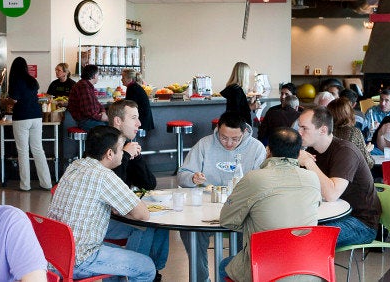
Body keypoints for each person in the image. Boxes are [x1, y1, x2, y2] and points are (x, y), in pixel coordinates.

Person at [47, 126, 156, 281]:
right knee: (146, 267)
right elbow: (143, 214)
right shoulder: (103, 176)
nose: (122, 154)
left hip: (55, 253)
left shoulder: (75, 165)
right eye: (121, 150)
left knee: (129, 247)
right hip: (80, 258)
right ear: (110, 154)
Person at [218, 127, 321, 282]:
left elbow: (227, 220)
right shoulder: (312, 178)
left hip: (267, 271)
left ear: (268, 150)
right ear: (299, 154)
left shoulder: (254, 178)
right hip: (309, 270)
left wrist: (253, 221)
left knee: (224, 266)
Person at [177, 111, 266, 282]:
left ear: (244, 132)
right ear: (218, 129)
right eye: (224, 138)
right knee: (189, 232)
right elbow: (182, 175)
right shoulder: (204, 144)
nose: (229, 143)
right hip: (206, 205)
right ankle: (201, 278)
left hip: (242, 208)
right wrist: (192, 178)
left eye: (235, 139)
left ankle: (239, 276)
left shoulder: (256, 148)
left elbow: (261, 183)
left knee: (251, 232)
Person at [297, 107, 381, 247]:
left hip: (361, 222)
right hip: (332, 214)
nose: (299, 133)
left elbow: (331, 194)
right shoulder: (311, 150)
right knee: (287, 230)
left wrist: (308, 162)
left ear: (323, 130)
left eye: (304, 128)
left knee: (307, 239)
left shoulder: (345, 152)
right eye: (299, 127)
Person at [105, 100, 167, 281]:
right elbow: (115, 189)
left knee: (161, 224)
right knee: (144, 227)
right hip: (106, 216)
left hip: (120, 211)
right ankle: (136, 272)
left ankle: (153, 272)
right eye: (133, 118)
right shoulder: (105, 145)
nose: (139, 123)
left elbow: (149, 183)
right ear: (118, 121)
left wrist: (135, 157)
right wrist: (124, 156)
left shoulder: (126, 144)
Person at [7, 57, 53, 191]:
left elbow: (14, 100)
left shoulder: (15, 81)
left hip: (21, 117)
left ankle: (25, 185)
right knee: (38, 150)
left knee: (23, 151)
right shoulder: (32, 80)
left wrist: (6, 102)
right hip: (36, 117)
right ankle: (47, 183)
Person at [327, 98, 374, 169]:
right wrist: (366, 151)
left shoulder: (324, 132)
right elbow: (368, 163)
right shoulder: (354, 132)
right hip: (348, 175)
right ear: (350, 113)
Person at [67, 64, 108, 131]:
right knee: (108, 130)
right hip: (85, 121)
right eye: (98, 74)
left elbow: (98, 104)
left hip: (89, 119)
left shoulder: (87, 85)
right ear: (94, 76)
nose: (98, 77)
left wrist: (103, 112)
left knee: (113, 126)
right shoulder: (84, 86)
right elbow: (88, 112)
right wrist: (102, 117)